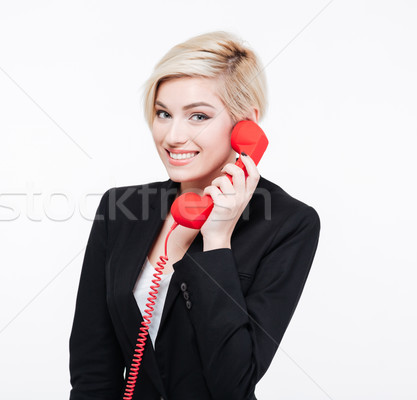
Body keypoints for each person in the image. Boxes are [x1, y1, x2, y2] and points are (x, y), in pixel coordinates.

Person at [69, 31, 321, 400]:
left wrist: (217, 241)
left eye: (198, 116)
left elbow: (233, 384)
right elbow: (93, 372)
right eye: (163, 114)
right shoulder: (121, 209)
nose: (173, 135)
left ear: (245, 124)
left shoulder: (289, 224)